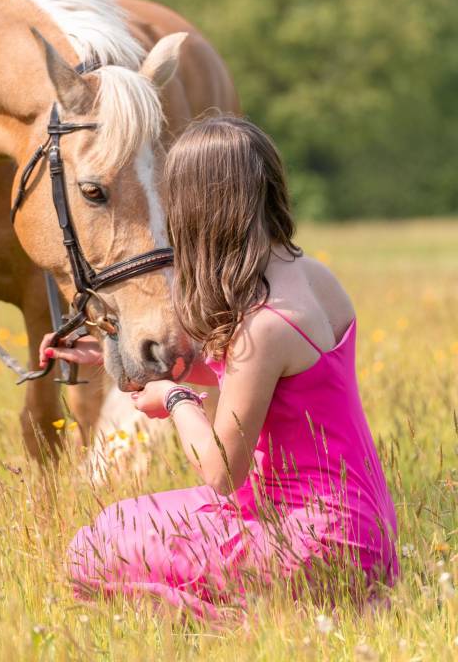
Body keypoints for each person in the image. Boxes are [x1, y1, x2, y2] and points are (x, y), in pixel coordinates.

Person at [39, 116, 399, 620]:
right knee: (123, 520)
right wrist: (112, 354)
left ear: (199, 211)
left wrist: (175, 400)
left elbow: (223, 473)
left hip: (313, 541)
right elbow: (256, 379)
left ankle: (233, 625)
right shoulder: (314, 278)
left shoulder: (263, 327)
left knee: (93, 549)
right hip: (366, 530)